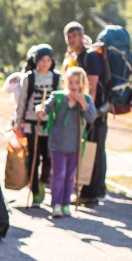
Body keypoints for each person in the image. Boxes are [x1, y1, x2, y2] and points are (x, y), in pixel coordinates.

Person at [36, 66, 97, 217]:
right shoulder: (58, 97)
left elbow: (91, 118)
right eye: (71, 82)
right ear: (66, 82)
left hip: (75, 144)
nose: (73, 86)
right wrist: (40, 110)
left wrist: (83, 104)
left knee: (70, 177)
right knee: (59, 174)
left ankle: (65, 203)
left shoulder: (86, 100)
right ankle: (56, 204)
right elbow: (45, 107)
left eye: (77, 82)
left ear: (82, 84)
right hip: (57, 143)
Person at [63, 21, 107, 205]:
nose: (72, 39)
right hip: (87, 110)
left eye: (75, 35)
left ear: (82, 36)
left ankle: (92, 193)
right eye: (69, 36)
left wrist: (88, 112)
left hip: (95, 112)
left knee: (93, 150)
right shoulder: (77, 57)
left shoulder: (91, 57)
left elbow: (92, 88)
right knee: (89, 149)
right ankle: (91, 190)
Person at [16, 44, 61, 205]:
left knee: (48, 158)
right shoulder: (29, 78)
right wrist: (19, 122)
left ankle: (43, 181)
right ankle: (35, 191)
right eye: (42, 60)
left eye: (48, 60)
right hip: (31, 124)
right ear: (36, 61)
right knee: (34, 158)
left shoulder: (56, 78)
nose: (45, 63)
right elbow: (22, 102)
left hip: (49, 125)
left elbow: (59, 101)